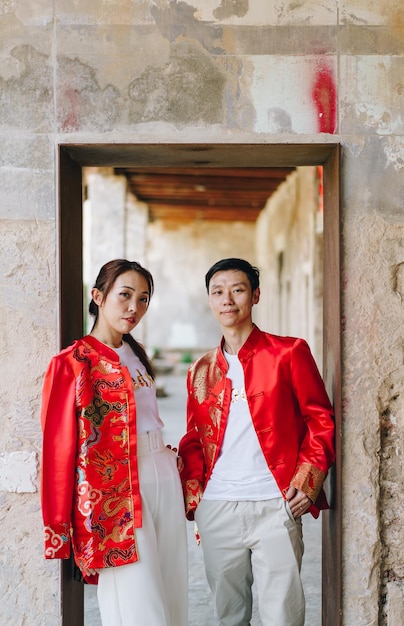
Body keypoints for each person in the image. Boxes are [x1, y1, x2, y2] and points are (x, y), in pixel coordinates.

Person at [178, 258, 335, 626]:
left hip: (275, 504)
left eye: (238, 289)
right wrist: (196, 499)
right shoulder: (200, 370)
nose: (227, 299)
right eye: (218, 291)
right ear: (210, 300)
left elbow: (320, 419)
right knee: (230, 616)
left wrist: (308, 482)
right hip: (217, 508)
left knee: (283, 615)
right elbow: (192, 439)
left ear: (255, 296)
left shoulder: (289, 353)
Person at [40, 259, 188, 626]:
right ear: (98, 296)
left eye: (143, 299)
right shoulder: (72, 363)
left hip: (162, 476)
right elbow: (58, 448)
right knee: (139, 603)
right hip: (114, 493)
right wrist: (59, 526)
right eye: (125, 295)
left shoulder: (137, 355)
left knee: (172, 595)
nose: (134, 307)